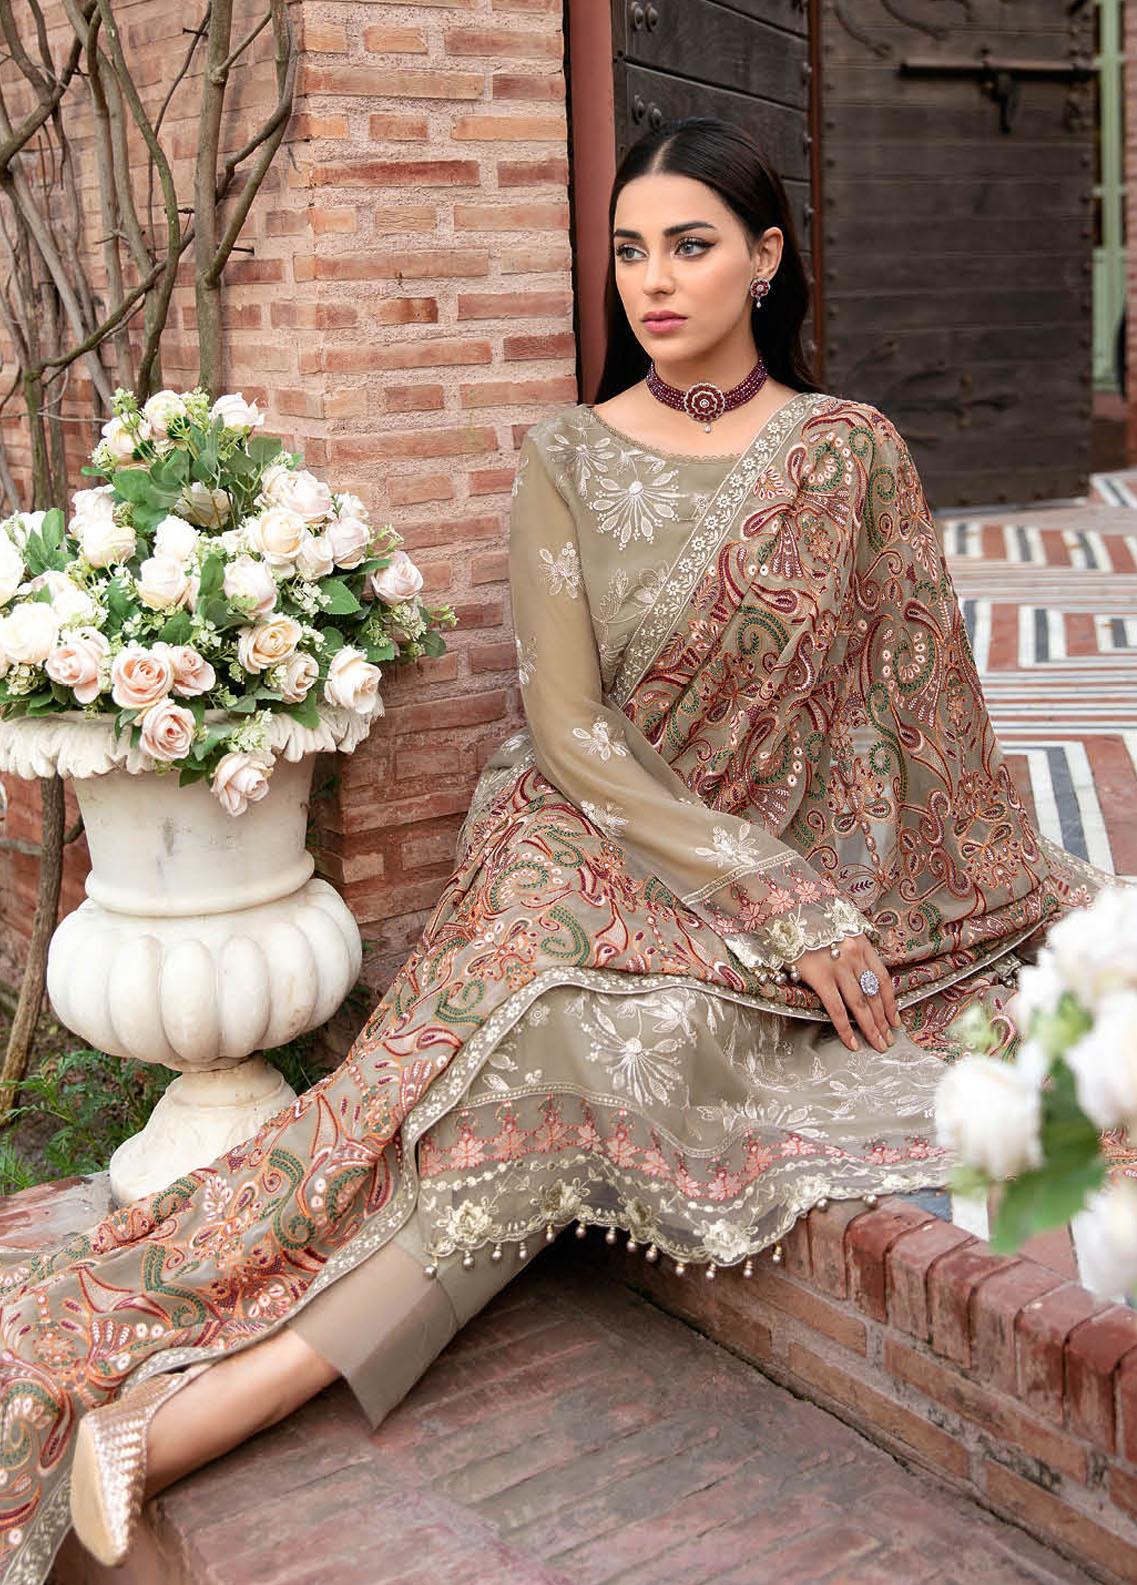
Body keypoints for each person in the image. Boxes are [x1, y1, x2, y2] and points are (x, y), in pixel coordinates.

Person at [0, 116, 1104, 1582]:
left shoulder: (847, 457)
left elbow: (916, 721)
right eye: (631, 250)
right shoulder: (568, 455)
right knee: (532, 1008)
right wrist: (765, 886)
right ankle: (196, 1395)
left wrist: (835, 888)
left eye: (691, 246)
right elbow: (571, 730)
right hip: (577, 829)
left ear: (766, 259)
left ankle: (189, 1414)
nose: (654, 280)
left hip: (766, 858)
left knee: (585, 1047)